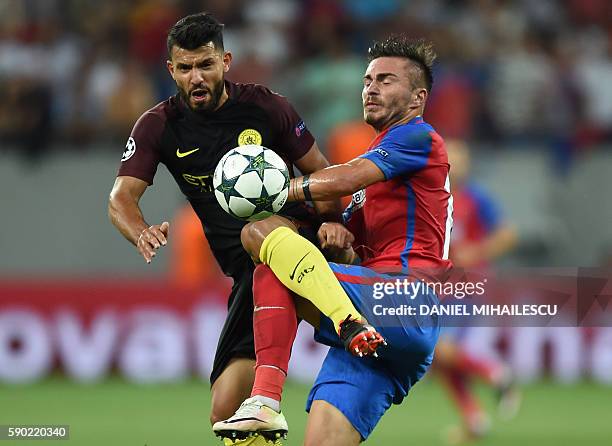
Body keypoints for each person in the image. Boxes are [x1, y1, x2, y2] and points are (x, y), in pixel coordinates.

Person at [107, 13, 381, 446]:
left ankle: (349, 315)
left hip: (298, 243)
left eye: (206, 65)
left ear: (226, 62)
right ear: (170, 70)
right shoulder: (159, 125)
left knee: (263, 228)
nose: (196, 77)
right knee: (224, 412)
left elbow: (323, 175)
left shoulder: (266, 107)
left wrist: (331, 222)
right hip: (248, 272)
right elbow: (121, 197)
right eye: (185, 68)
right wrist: (139, 230)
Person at [213, 35, 453, 445]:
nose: (371, 87)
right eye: (367, 79)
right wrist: (340, 241)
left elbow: (343, 177)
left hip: (404, 299)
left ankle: (265, 399)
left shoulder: (418, 137)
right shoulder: (378, 174)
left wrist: (274, 191)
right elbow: (351, 249)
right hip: (378, 334)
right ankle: (345, 328)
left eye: (386, 79)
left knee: (263, 238)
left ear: (417, 98)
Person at [433, 139, 520, 444]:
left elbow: (509, 235)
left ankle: (496, 374)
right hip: (439, 285)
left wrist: (477, 250)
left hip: (467, 284)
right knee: (437, 356)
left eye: (460, 158)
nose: (455, 164)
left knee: (440, 350)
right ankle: (474, 420)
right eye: (450, 158)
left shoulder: (477, 198)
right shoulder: (434, 196)